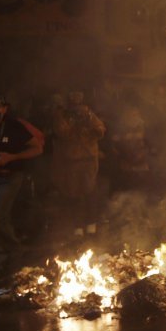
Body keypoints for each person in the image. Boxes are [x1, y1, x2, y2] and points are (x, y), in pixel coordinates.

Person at [0, 93, 43, 276]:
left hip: (11, 177)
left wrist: (12, 157)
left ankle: (15, 252)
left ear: (5, 108)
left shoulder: (14, 127)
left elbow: (37, 148)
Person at [51, 90, 106, 237]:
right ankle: (78, 226)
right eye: (74, 95)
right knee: (73, 193)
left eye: (79, 95)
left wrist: (87, 119)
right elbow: (62, 132)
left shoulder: (88, 113)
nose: (77, 98)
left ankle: (91, 224)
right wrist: (73, 123)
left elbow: (100, 130)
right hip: (71, 161)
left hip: (88, 160)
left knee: (90, 191)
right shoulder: (63, 115)